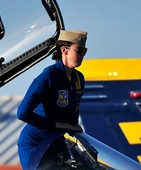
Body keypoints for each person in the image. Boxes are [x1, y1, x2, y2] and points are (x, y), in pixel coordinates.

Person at [17, 29, 88, 169]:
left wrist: (73, 126)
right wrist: (56, 124)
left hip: (56, 139)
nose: (82, 55)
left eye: (84, 51)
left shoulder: (78, 79)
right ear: (64, 50)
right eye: (79, 50)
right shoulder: (48, 77)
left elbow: (74, 111)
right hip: (36, 142)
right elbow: (22, 113)